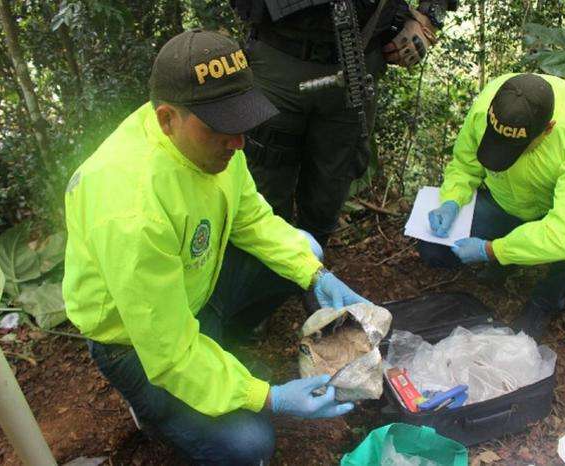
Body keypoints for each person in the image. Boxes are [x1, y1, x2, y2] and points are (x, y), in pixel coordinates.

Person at [62, 30, 370, 465]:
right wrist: (268, 398)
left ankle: (219, 354)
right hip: (134, 342)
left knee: (304, 249)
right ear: (167, 118)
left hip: (191, 291)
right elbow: (168, 353)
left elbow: (251, 217)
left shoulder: (212, 136)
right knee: (248, 447)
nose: (239, 141)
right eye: (223, 127)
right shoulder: (131, 209)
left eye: (243, 120)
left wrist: (314, 273)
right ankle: (151, 405)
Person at [230, 0, 456, 244]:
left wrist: (427, 18)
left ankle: (311, 267)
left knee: (329, 191)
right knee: (262, 189)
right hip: (279, 56)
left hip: (358, 60)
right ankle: (263, 273)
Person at [418, 73, 565, 339]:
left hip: (554, 214)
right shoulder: (490, 103)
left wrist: (491, 250)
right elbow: (465, 165)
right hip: (505, 206)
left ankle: (543, 302)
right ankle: (510, 262)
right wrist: (451, 200)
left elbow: (564, 234)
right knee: (432, 247)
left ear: (548, 129)